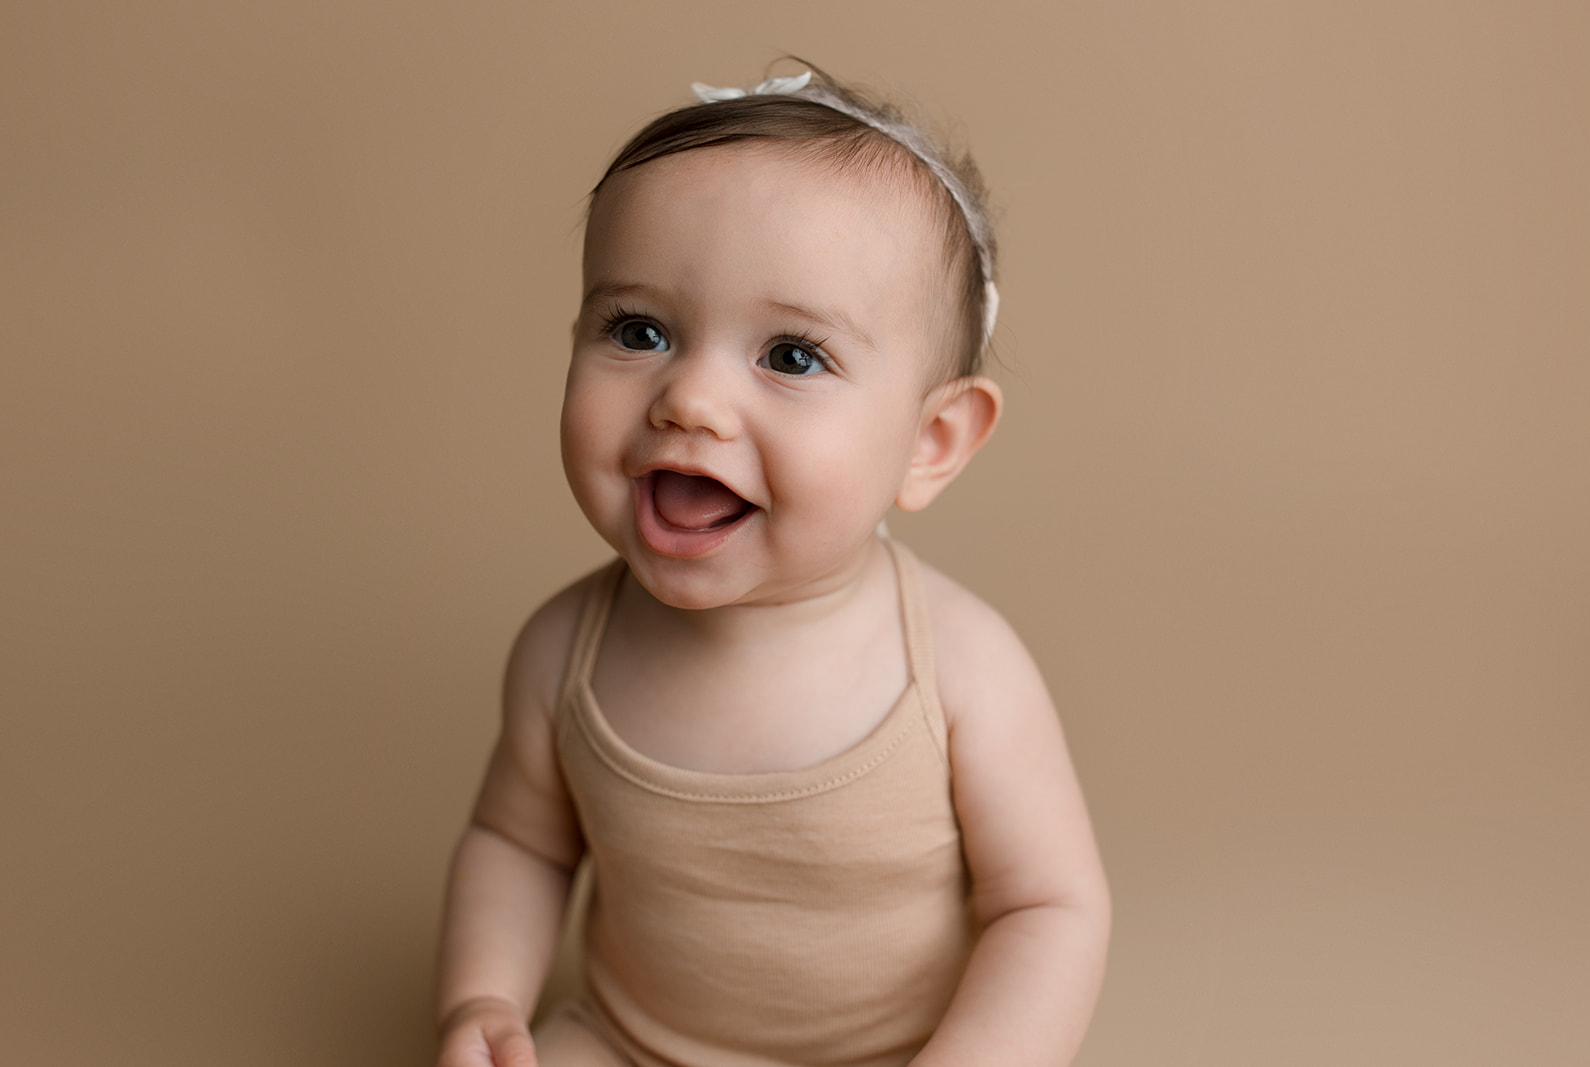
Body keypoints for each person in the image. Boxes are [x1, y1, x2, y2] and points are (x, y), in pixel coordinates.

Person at [434, 63, 1110, 1067]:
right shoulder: (563, 651)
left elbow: (1049, 905)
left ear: (930, 440)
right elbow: (519, 844)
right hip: (630, 1043)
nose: (689, 400)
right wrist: (480, 997)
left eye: (790, 355)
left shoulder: (962, 667)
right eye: (640, 330)